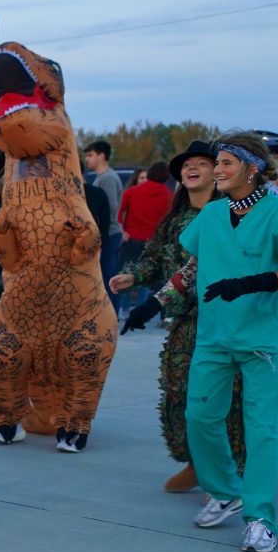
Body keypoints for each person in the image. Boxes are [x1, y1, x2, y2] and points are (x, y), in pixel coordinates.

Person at [179, 132, 278, 552]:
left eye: (226, 164)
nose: (217, 170)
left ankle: (259, 518)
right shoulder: (212, 215)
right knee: (199, 418)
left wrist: (251, 282)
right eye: (216, 164)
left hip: (263, 341)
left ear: (252, 168)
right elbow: (193, 263)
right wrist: (157, 297)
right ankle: (223, 490)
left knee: (261, 429)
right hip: (214, 335)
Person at [112, 140, 244, 493]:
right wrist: (132, 277)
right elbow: (155, 258)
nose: (192, 167)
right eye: (187, 164)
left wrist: (152, 302)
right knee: (177, 394)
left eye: (202, 162)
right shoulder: (175, 220)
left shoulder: (230, 212)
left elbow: (196, 269)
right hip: (185, 321)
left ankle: (232, 471)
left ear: (217, 172)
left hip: (225, 320)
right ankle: (196, 462)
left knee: (226, 398)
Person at [116, 161, 173, 316]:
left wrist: (124, 230)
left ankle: (125, 308)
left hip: (133, 238)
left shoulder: (132, 192)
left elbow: (119, 213)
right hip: (155, 241)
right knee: (148, 276)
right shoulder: (169, 196)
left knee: (126, 273)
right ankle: (142, 308)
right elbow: (170, 219)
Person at [84, 140, 124, 314]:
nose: (88, 159)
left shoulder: (107, 178)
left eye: (91, 155)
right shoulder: (102, 177)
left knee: (109, 278)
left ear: (102, 155)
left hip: (109, 234)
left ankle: (112, 315)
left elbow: (109, 209)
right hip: (106, 234)